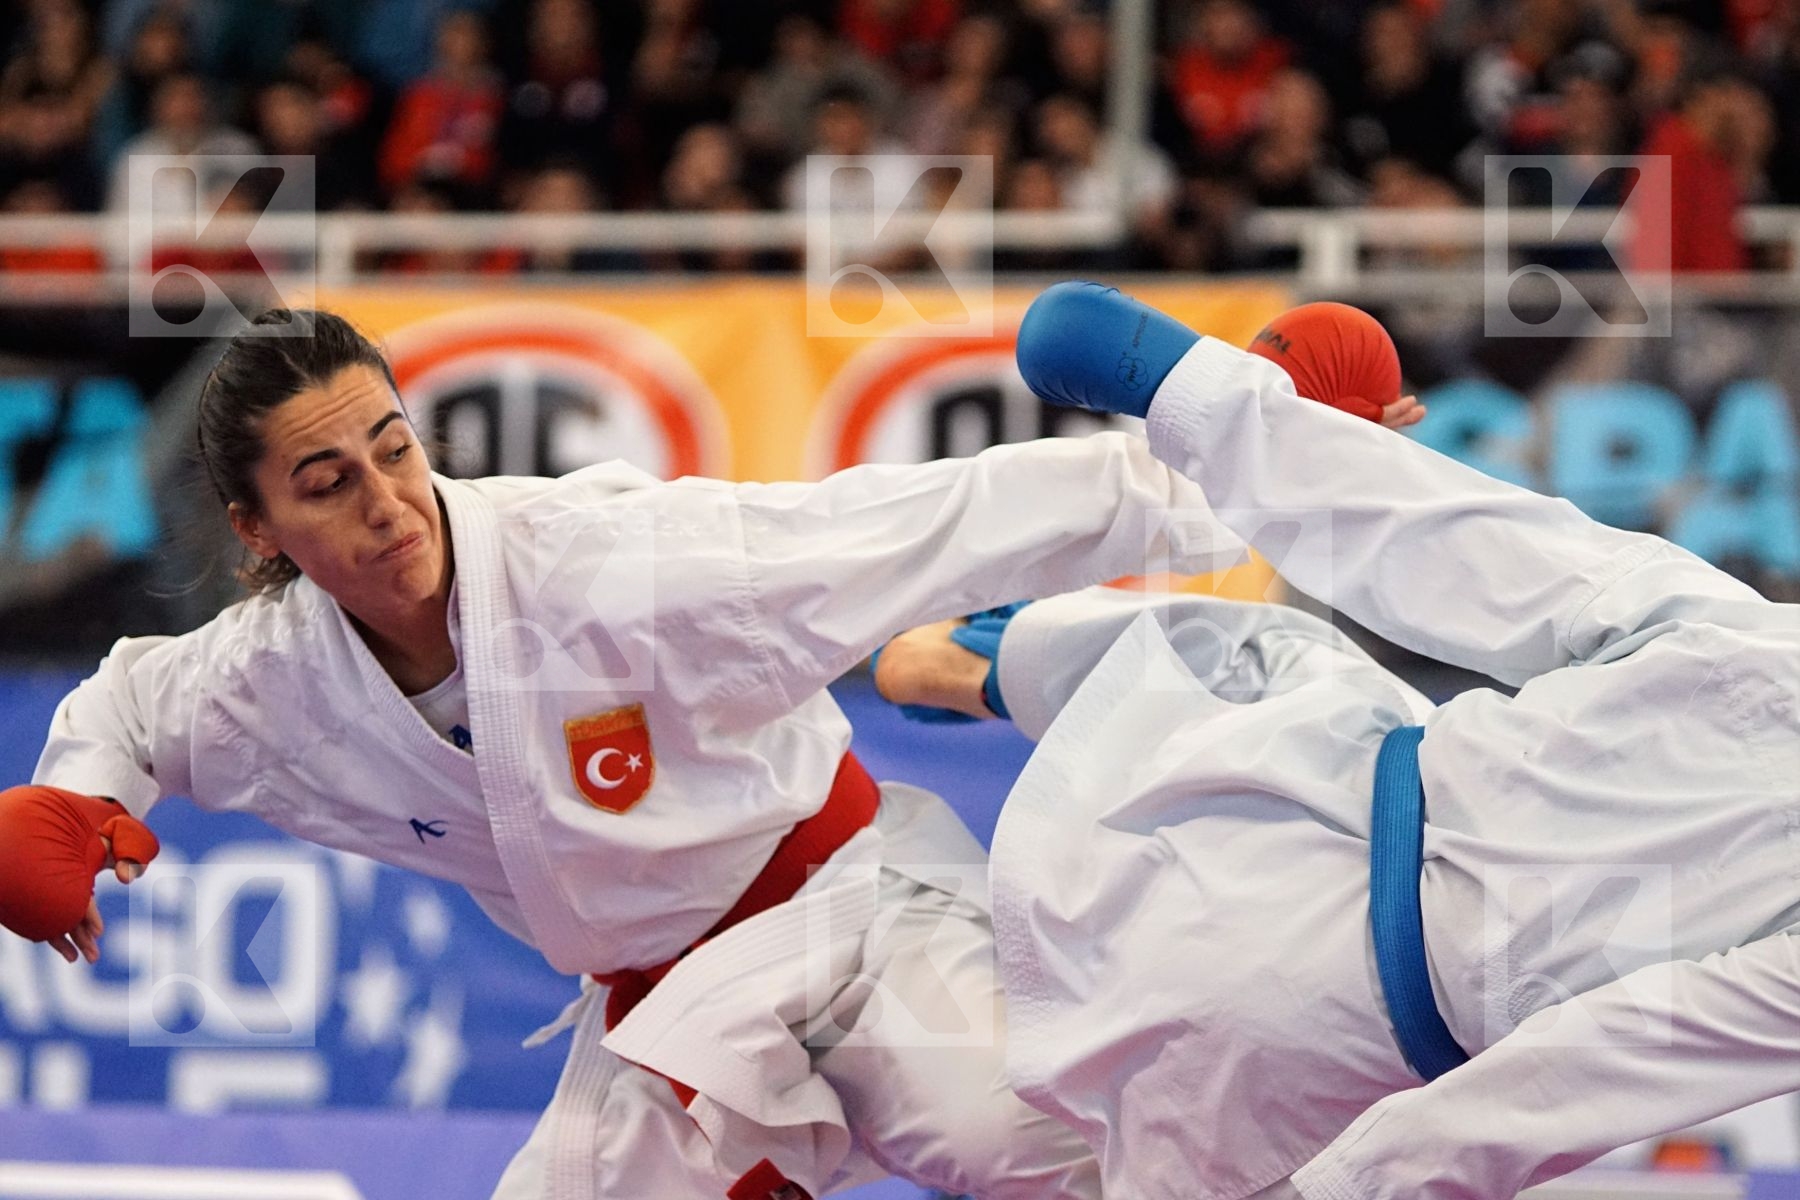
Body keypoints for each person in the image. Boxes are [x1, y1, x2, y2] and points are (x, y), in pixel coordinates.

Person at [0, 304, 1330, 1199]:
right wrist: (69, 804)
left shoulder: (607, 562)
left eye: (391, 448)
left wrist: (1238, 437)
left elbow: (930, 519)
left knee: (1071, 1152)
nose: (386, 499)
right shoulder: (266, 679)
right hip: (655, 1015)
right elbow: (125, 705)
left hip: (852, 926)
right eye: (328, 482)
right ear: (257, 529)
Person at [877, 282, 1800, 1200]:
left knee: (1278, 656)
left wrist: (1206, 397)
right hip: (1300, 1042)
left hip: (1244, 803)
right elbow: (1597, 1065)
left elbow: (1465, 550)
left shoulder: (1763, 643)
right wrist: (1349, 1186)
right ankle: (1002, 652)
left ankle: (986, 660)